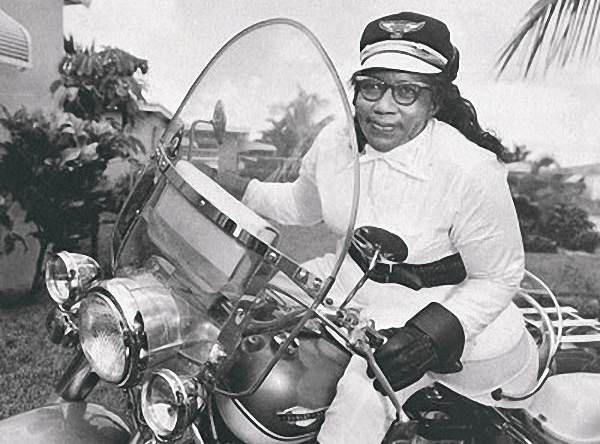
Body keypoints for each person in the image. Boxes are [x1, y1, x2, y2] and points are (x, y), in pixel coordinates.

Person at [226, 11, 538, 444]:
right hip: (344, 279)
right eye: (372, 86)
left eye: (407, 92)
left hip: (429, 303)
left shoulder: (470, 169)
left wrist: (430, 335)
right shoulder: (335, 143)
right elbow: (302, 204)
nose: (383, 106)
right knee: (238, 327)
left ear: (434, 102)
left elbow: (499, 275)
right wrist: (237, 188)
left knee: (356, 404)